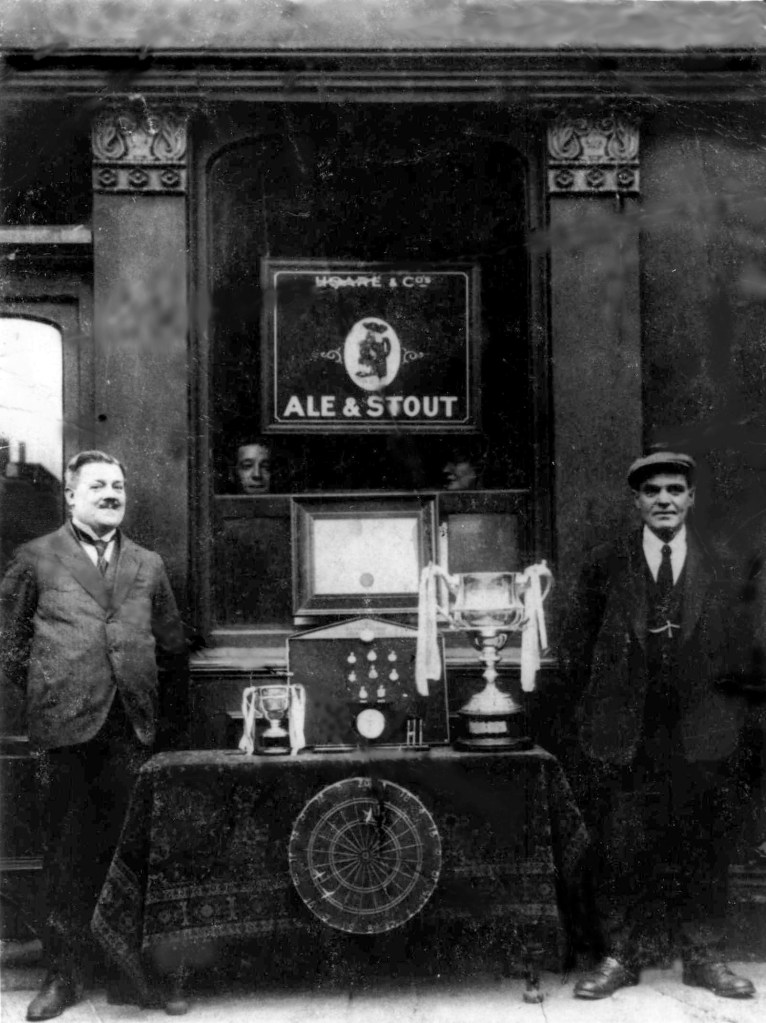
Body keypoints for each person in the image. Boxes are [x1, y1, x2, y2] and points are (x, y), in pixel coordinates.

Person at [560, 449, 755, 1000]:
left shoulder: (723, 561)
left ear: (691, 497)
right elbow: (577, 650)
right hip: (626, 731)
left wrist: (734, 721)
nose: (664, 500)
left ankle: (705, 957)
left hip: (704, 728)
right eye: (652, 491)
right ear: (637, 501)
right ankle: (621, 955)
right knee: (621, 845)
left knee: (704, 842)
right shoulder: (605, 563)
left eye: (674, 490)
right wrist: (590, 720)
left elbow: (745, 651)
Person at [0, 450, 188, 1020]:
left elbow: (171, 645)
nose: (111, 494)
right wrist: (54, 689)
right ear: (71, 496)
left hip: (130, 729)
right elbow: (10, 649)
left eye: (118, 486)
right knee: (65, 853)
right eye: (99, 486)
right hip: (64, 729)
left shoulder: (148, 564)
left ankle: (131, 975)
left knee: (130, 854)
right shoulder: (34, 559)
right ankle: (65, 974)